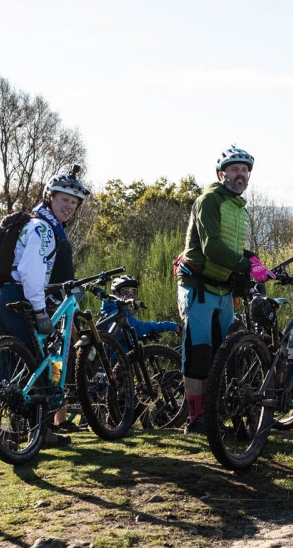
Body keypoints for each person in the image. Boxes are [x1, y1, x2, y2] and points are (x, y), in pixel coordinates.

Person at [0, 167, 89, 443]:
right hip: (19, 298)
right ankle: (39, 433)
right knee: (38, 363)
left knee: (3, 368)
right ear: (49, 197)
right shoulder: (43, 229)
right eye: (64, 199)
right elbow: (31, 272)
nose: (70, 206)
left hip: (0, 296)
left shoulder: (32, 222)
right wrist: (41, 312)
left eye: (74, 202)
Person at [176, 145, 272, 434]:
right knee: (199, 352)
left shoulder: (238, 208)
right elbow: (212, 247)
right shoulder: (209, 200)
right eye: (234, 169)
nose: (240, 174)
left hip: (223, 289)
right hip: (199, 287)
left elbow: (230, 247)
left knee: (222, 354)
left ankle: (216, 413)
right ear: (221, 174)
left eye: (245, 170)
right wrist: (245, 265)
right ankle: (196, 418)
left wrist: (252, 259)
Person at [101, 275, 180, 342]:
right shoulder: (114, 314)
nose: (130, 296)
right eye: (126, 292)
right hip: (115, 359)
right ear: (114, 293)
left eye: (133, 292)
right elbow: (138, 327)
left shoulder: (115, 311)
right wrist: (172, 326)